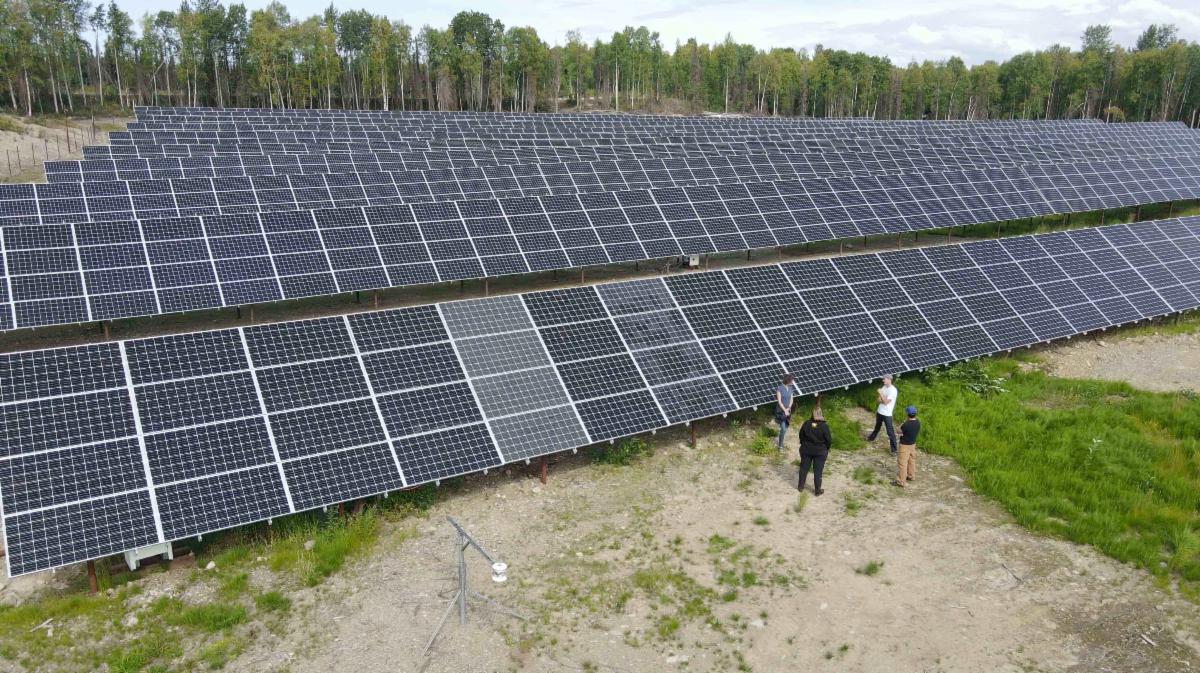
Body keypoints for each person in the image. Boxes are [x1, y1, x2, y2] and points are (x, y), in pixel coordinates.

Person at [797, 407, 832, 495]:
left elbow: (801, 435)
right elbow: (828, 440)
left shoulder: (806, 424)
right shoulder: (824, 426)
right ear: (821, 414)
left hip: (806, 449)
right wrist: (826, 448)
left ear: (812, 414)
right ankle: (817, 490)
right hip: (820, 451)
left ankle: (800, 487)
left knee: (804, 468)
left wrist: (803, 444)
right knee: (818, 471)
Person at [867, 375, 899, 455]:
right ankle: (871, 438)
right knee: (877, 426)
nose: (883, 380)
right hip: (880, 411)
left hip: (887, 414)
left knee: (890, 432)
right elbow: (878, 400)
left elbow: (885, 402)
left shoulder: (893, 390)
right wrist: (882, 397)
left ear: (889, 379)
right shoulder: (884, 387)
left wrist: (881, 394)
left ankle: (894, 450)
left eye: (884, 379)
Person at [893, 406, 921, 488]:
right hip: (913, 445)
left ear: (907, 414)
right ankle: (911, 476)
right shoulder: (918, 422)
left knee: (902, 463)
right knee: (911, 461)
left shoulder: (906, 424)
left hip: (904, 446)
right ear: (915, 414)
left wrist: (903, 422)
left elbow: (898, 431)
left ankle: (901, 481)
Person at [774, 374, 795, 449]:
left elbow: (791, 399)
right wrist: (784, 410)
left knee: (786, 427)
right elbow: (779, 401)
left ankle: (780, 437)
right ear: (788, 380)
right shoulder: (779, 388)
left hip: (788, 410)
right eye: (792, 380)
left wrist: (789, 407)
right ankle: (780, 445)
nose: (793, 381)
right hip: (781, 410)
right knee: (783, 428)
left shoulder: (791, 388)